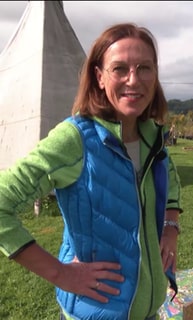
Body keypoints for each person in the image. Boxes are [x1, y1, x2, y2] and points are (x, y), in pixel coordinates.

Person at [0, 23, 182, 320]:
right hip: (94, 312)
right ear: (99, 77)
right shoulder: (76, 139)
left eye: (144, 68)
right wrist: (61, 274)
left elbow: (171, 181)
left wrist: (170, 227)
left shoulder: (153, 138)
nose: (133, 80)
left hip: (150, 311)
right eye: (119, 69)